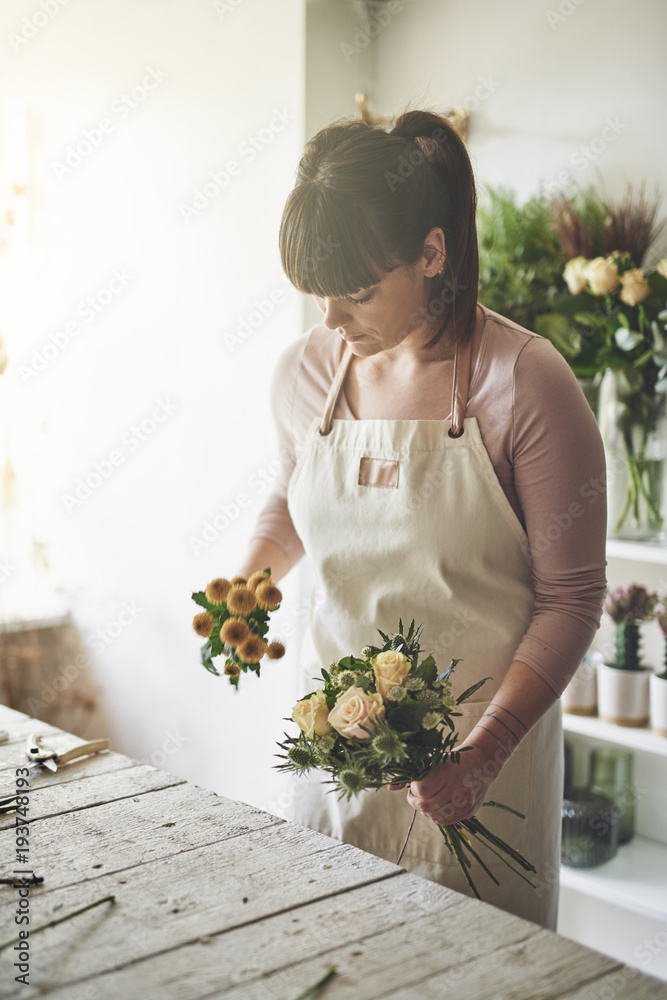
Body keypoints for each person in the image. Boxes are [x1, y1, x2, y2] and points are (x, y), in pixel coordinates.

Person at [237, 108, 607, 930]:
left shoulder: (525, 382)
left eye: (356, 294)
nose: (330, 321)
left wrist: (483, 753)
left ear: (431, 253)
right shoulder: (306, 371)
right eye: (318, 297)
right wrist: (251, 580)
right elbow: (294, 498)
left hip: (478, 783)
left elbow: (572, 598)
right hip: (332, 763)